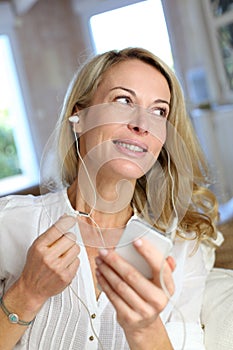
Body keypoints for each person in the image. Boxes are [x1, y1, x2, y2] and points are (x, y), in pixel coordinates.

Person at [0, 47, 219, 350]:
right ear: (79, 116)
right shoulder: (9, 222)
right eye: (123, 100)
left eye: (159, 112)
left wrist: (145, 328)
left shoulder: (185, 248)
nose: (142, 124)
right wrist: (26, 293)